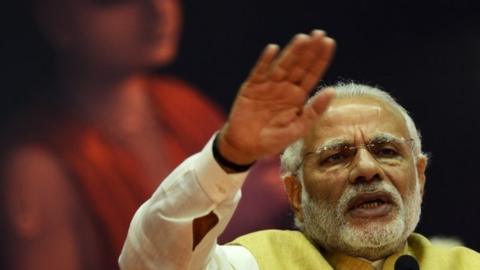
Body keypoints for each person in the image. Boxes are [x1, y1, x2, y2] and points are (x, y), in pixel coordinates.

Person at [118, 30, 480, 269]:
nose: (367, 169)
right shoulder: (256, 264)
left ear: (419, 176)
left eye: (386, 151)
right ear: (295, 192)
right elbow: (152, 261)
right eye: (337, 156)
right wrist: (230, 154)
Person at [1, 0, 288, 269]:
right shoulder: (35, 168)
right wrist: (229, 224)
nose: (157, 9)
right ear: (57, 19)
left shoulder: (184, 105)